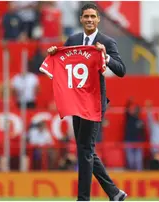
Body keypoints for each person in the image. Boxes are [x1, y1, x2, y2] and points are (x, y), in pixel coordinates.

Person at [47, 3, 126, 201]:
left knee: (85, 149)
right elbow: (65, 65)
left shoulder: (106, 41)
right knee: (85, 149)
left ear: (98, 19)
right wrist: (54, 54)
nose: (89, 20)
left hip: (94, 103)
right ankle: (114, 193)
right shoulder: (73, 40)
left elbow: (121, 70)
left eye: (93, 16)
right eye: (86, 16)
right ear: (81, 19)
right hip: (76, 102)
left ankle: (84, 198)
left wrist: (105, 56)